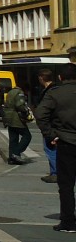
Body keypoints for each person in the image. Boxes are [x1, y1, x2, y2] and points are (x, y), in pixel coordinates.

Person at [32, 63, 76, 233]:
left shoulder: (55, 93)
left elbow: (40, 114)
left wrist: (51, 134)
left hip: (66, 142)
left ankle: (68, 222)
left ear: (60, 77)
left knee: (66, 185)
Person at [2, 79, 32, 165]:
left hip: (8, 117)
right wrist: (26, 111)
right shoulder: (19, 93)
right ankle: (16, 153)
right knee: (27, 136)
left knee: (13, 139)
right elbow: (20, 105)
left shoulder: (10, 92)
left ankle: (11, 158)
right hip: (16, 118)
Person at [37, 68, 58, 184]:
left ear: (41, 78)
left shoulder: (49, 92)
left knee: (50, 149)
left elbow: (42, 112)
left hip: (50, 125)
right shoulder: (56, 89)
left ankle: (55, 173)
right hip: (56, 124)